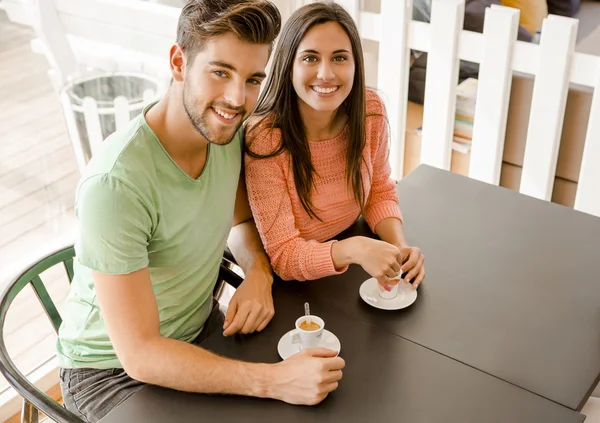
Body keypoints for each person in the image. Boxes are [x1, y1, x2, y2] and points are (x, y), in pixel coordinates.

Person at [56, 2, 344, 421]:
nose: (236, 99)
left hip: (200, 329)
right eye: (220, 72)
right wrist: (272, 381)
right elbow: (140, 354)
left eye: (252, 80)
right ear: (178, 62)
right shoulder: (115, 185)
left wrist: (258, 274)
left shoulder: (226, 135)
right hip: (109, 373)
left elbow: (241, 220)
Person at [245, 2, 425, 291]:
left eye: (340, 58)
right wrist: (353, 250)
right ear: (288, 64)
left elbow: (378, 189)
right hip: (299, 288)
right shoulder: (266, 139)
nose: (326, 74)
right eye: (310, 58)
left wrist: (400, 248)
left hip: (354, 271)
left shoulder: (370, 111)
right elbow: (284, 255)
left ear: (356, 65)